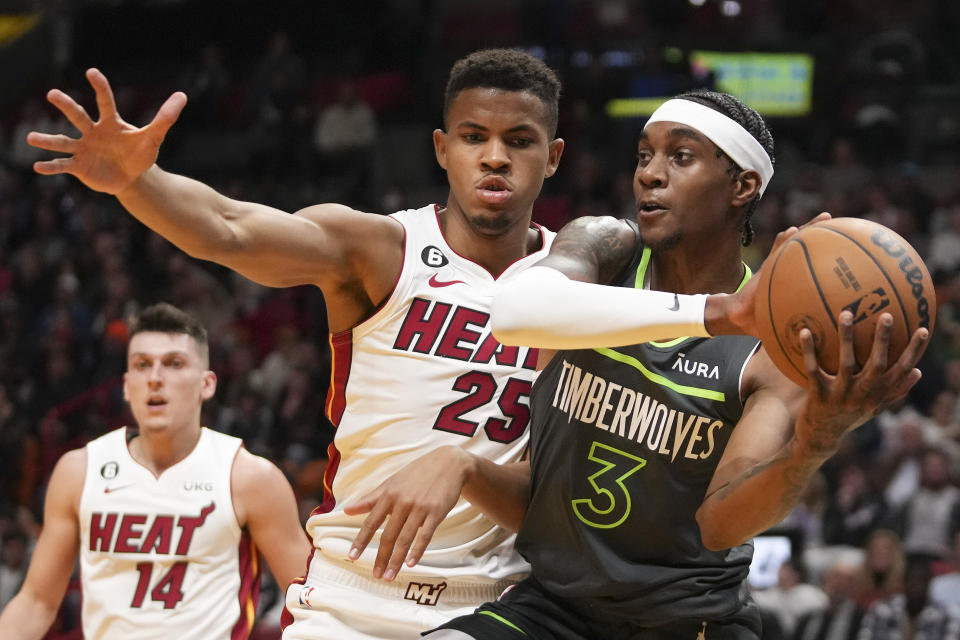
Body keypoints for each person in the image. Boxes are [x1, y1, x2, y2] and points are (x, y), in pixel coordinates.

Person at [25, 49, 570, 639]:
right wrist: (139, 181)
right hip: (351, 596)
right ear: (441, 148)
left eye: (520, 141)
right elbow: (229, 228)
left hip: (499, 601)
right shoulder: (379, 250)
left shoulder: (584, 285)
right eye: (473, 137)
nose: (495, 157)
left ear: (553, 157)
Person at [344, 89, 929, 639]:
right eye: (645, 155)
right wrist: (463, 465)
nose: (649, 173)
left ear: (742, 185)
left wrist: (814, 444)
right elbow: (518, 311)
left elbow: (720, 525)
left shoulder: (770, 352)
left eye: (680, 157)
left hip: (685, 625)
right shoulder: (605, 248)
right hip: (554, 608)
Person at [0, 302, 309, 639]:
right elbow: (36, 603)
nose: (156, 378)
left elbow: (313, 605)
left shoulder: (248, 477)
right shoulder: (79, 471)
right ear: (126, 385)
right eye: (142, 365)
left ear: (207, 384)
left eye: (173, 364)